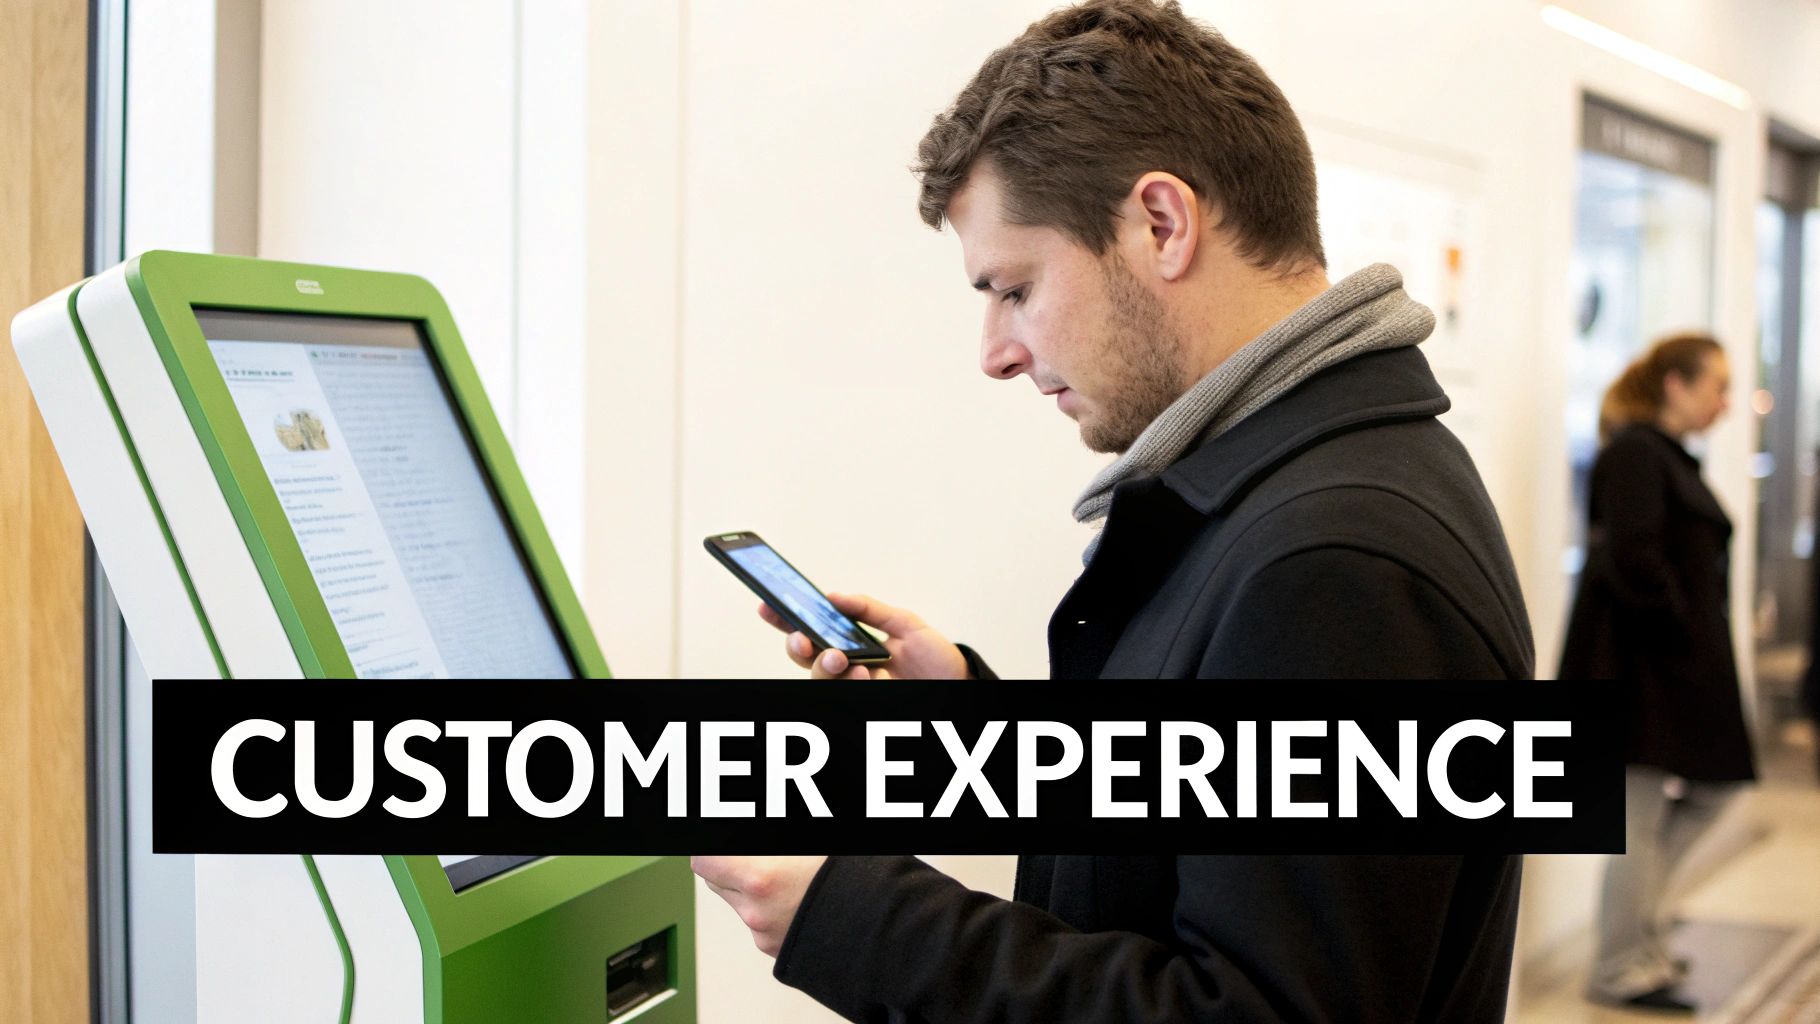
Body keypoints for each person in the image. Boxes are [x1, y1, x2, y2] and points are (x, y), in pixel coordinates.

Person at [693, 2, 1534, 1019]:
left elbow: (1250, 1009)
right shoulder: (1291, 485)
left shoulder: (1330, 561)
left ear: (1159, 224)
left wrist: (840, 912)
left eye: (1012, 287)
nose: (995, 353)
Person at [1558, 332, 1756, 1014]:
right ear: (1674, 383)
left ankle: (1638, 940)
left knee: (1691, 801)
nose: (1725, 404)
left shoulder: (1661, 455)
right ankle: (1620, 963)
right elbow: (1637, 561)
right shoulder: (1638, 452)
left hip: (1662, 668)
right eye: (1716, 387)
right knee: (1639, 817)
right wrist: (1685, 639)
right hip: (1642, 672)